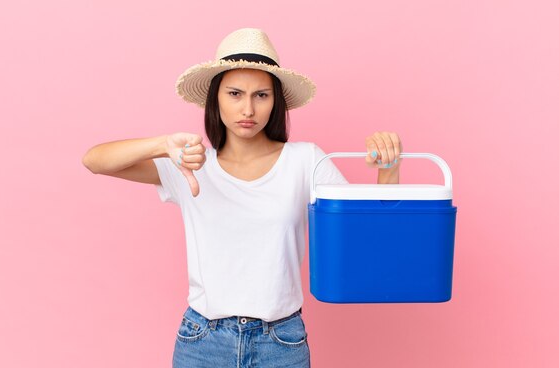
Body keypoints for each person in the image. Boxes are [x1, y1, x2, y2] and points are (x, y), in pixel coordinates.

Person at [82, 28, 402, 368]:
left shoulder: (305, 161)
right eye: (235, 93)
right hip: (202, 341)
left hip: (282, 342)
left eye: (261, 95)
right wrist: (163, 145)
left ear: (275, 101)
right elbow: (94, 160)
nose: (247, 108)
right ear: (215, 98)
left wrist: (389, 167)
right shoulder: (190, 164)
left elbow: (369, 238)